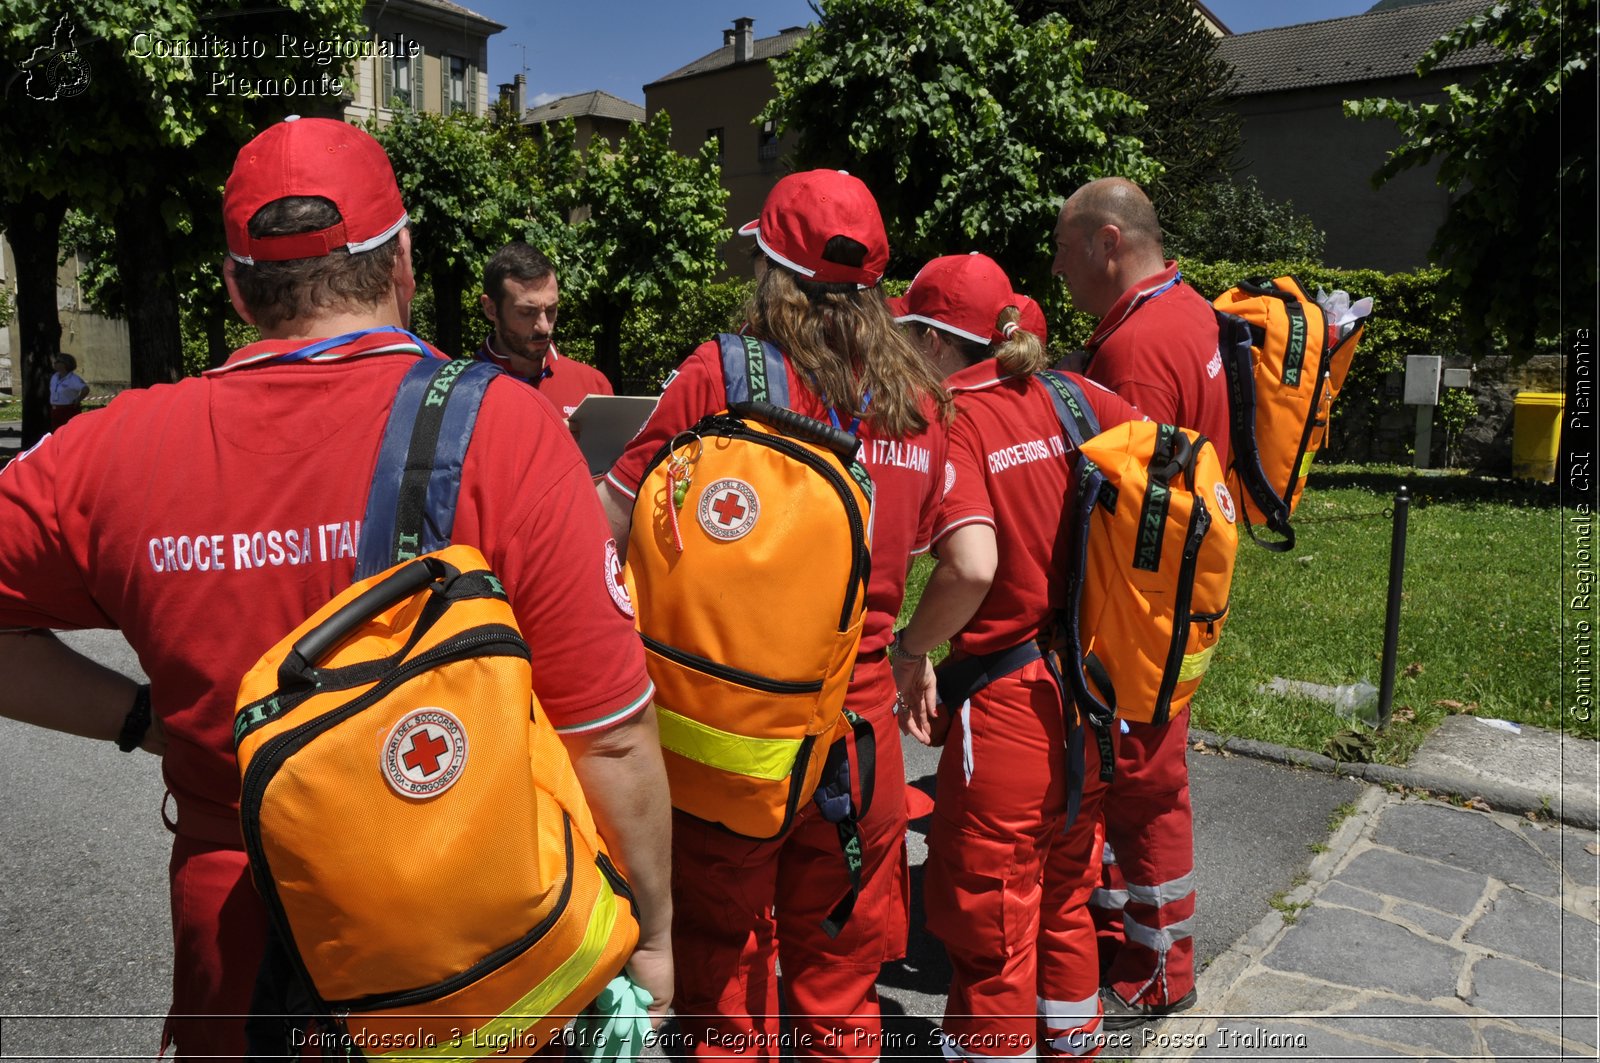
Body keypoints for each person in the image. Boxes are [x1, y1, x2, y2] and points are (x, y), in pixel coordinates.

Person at [0, 116, 673, 1061]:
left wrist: (138, 716)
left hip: (240, 962)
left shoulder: (115, 448)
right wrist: (650, 939)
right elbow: (608, 730)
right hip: (474, 961)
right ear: (402, 260)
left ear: (236, 288)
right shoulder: (506, 432)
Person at [598, 169, 950, 1059]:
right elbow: (963, 558)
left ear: (771, 270)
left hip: (733, 726)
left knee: (724, 970)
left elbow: (608, 514)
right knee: (840, 979)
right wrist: (916, 649)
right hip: (863, 734)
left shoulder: (723, 370)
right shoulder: (918, 401)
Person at [890, 253, 1141, 1061]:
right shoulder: (1073, 394)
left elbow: (971, 566)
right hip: (1095, 692)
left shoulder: (952, 416)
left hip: (1009, 707)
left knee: (991, 922)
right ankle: (1074, 1047)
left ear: (932, 340)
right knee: (1066, 896)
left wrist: (911, 647)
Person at [1050, 176, 1229, 1028]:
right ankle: (1133, 923)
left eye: (1063, 249)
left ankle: (1162, 964)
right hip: (1187, 596)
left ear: (1107, 242)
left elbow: (1123, 505)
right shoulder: (1191, 312)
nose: (1058, 269)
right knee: (1149, 773)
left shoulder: (1133, 349)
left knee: (1143, 781)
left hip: (1139, 610)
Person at [477, 241, 613, 417]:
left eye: (551, 310)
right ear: (491, 309)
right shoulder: (462, 389)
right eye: (527, 312)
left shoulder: (593, 386)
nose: (543, 327)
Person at [48, 352, 90, 431]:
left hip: (68, 409)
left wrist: (78, 399)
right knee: (56, 433)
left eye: (57, 362)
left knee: (69, 432)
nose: (54, 363)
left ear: (64, 364)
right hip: (55, 410)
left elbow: (85, 389)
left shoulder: (73, 379)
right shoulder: (55, 376)